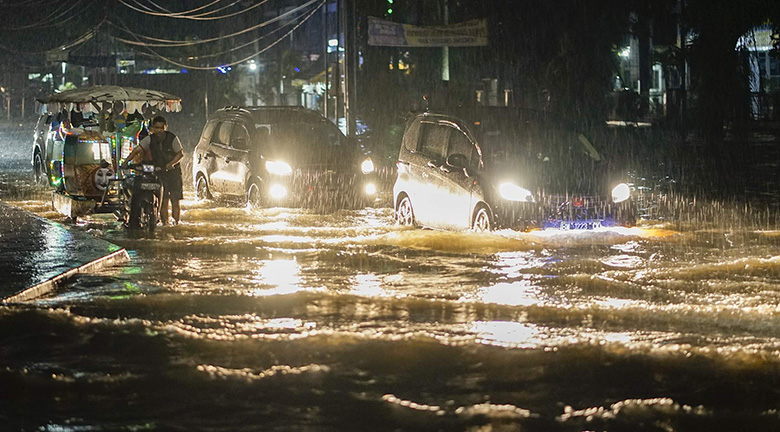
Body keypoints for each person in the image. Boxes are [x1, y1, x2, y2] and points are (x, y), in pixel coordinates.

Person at [124, 115, 184, 225]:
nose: (159, 130)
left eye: (161, 128)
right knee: (163, 200)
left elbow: (180, 154)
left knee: (175, 200)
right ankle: (165, 223)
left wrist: (171, 164)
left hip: (174, 173)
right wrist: (125, 162)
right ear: (152, 128)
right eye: (156, 127)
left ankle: (176, 223)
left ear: (165, 127)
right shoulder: (150, 139)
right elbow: (137, 150)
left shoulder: (172, 138)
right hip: (159, 172)